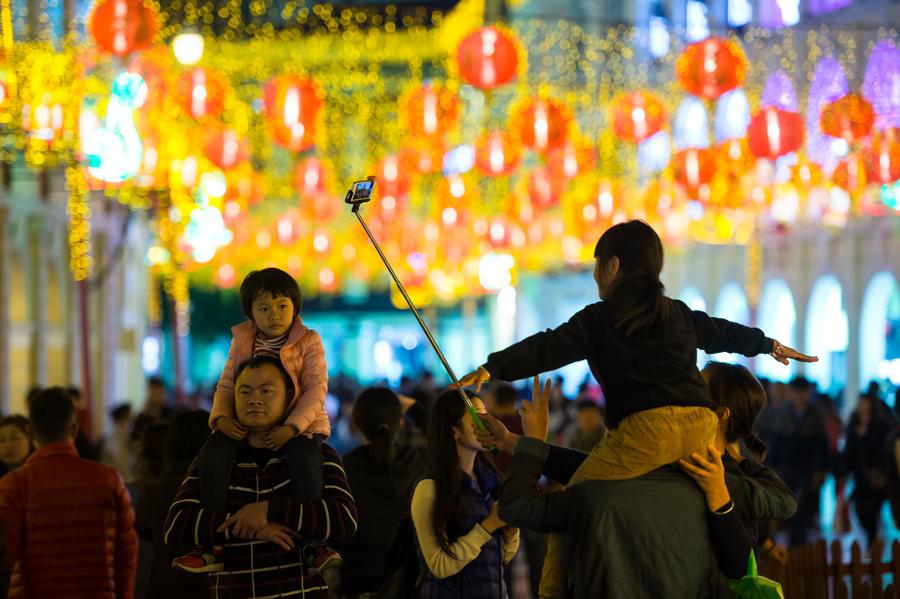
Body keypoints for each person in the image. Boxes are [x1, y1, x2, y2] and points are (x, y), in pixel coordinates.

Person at [459, 220, 815, 597]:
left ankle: (551, 593)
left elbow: (549, 346)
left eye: (597, 265)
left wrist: (493, 367)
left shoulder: (599, 318)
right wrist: (769, 345)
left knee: (578, 495)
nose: (596, 274)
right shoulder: (676, 312)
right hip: (698, 425)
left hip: (645, 431)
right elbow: (723, 333)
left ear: (612, 266)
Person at [493, 377, 751, 598]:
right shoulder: (710, 485)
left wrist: (533, 442)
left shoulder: (595, 491)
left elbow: (517, 507)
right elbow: (739, 566)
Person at [177, 267, 333, 574]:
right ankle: (213, 546)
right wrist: (221, 418)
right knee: (214, 452)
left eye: (282, 306)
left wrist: (292, 428)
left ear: (295, 307)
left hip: (301, 424)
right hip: (246, 423)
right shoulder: (242, 340)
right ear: (251, 313)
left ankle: (313, 545)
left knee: (305, 457)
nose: (274, 314)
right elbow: (226, 385)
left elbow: (316, 389)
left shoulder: (309, 340)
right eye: (264, 308)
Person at [163, 356, 357, 598]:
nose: (254, 399)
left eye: (266, 390)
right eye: (245, 391)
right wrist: (247, 525)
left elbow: (344, 519)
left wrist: (269, 511)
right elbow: (176, 526)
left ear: (288, 395)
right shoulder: (214, 459)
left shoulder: (317, 453)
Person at [0, 387, 137, 598]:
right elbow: (126, 552)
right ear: (74, 429)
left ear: (30, 432)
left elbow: (4, 558)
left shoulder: (14, 486)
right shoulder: (109, 480)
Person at [678, 362, 797, 558]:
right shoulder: (731, 468)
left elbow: (786, 502)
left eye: (699, 385)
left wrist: (734, 467)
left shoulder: (715, 472)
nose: (688, 389)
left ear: (721, 414)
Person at [410, 390, 519, 598]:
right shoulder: (430, 488)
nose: (485, 425)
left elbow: (503, 556)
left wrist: (511, 527)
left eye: (486, 415)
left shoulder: (491, 480)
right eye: (477, 417)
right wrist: (490, 525)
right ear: (454, 431)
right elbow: (439, 565)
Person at [338, 387, 427, 596]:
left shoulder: (344, 468)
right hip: (409, 580)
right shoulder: (417, 462)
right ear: (401, 422)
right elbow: (445, 437)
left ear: (357, 423)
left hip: (357, 580)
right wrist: (414, 409)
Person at [134, 410, 211, 599]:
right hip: (209, 587)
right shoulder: (222, 488)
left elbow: (143, 530)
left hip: (164, 585)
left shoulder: (153, 492)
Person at [769, 377, 829, 547]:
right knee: (785, 506)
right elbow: (776, 442)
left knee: (801, 507)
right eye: (796, 392)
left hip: (806, 468)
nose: (799, 396)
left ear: (808, 393)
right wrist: (772, 467)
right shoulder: (783, 412)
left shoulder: (816, 414)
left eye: (803, 392)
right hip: (785, 466)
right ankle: (787, 544)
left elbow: (822, 445)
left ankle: (797, 546)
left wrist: (822, 469)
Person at [840, 393, 893, 548]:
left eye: (865, 403)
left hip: (876, 476)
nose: (862, 406)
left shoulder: (880, 426)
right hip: (859, 477)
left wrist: (866, 435)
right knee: (860, 510)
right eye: (860, 403)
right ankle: (873, 538)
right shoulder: (853, 425)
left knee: (872, 509)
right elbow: (848, 452)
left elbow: (883, 451)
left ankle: (872, 541)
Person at [102, 404, 136, 484]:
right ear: (124, 416)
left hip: (125, 478)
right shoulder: (114, 436)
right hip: (121, 480)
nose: (133, 415)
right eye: (130, 413)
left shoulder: (125, 433)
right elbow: (118, 460)